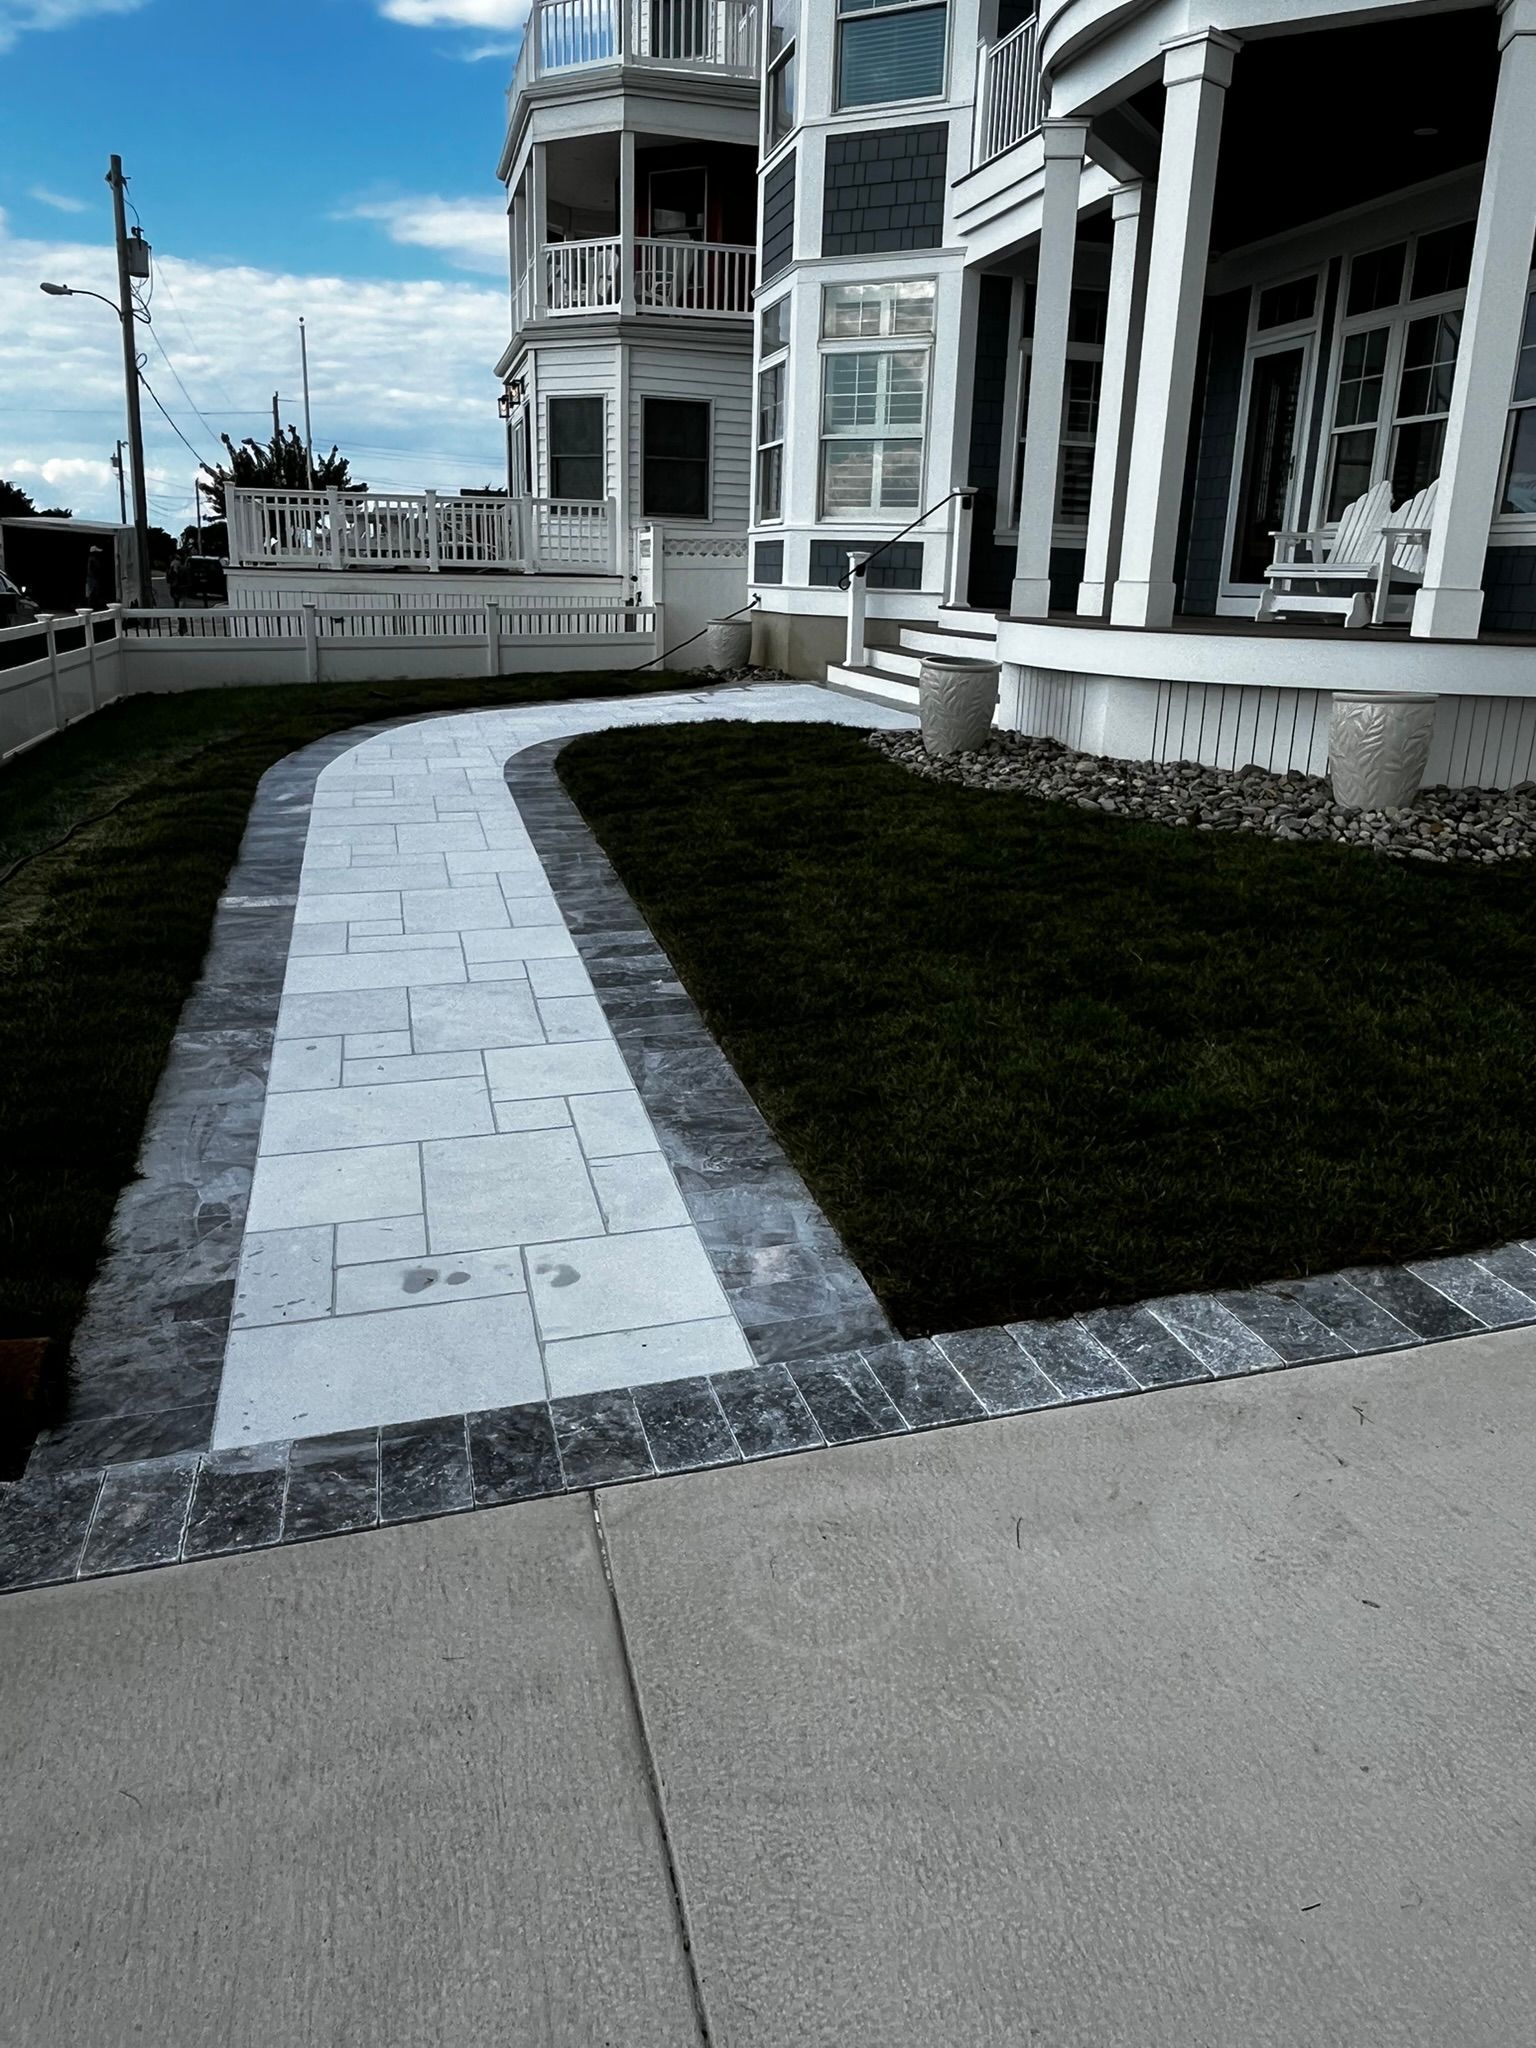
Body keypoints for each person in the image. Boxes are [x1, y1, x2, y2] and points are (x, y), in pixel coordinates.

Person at [84, 544, 109, 609]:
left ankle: (92, 606)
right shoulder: (93, 559)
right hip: (93, 578)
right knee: (94, 592)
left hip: (91, 578)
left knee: (92, 593)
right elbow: (98, 567)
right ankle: (93, 607)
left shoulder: (90, 558)